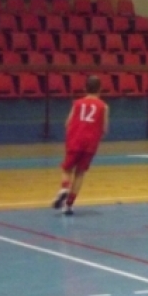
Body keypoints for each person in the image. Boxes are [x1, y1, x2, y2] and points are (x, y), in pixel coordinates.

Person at [52, 74, 109, 216]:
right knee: (80, 173)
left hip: (75, 140)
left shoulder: (77, 103)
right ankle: (69, 205)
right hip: (90, 144)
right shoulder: (104, 106)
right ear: (100, 89)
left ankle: (64, 188)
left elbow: (68, 123)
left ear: (84, 88)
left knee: (67, 169)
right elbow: (104, 128)